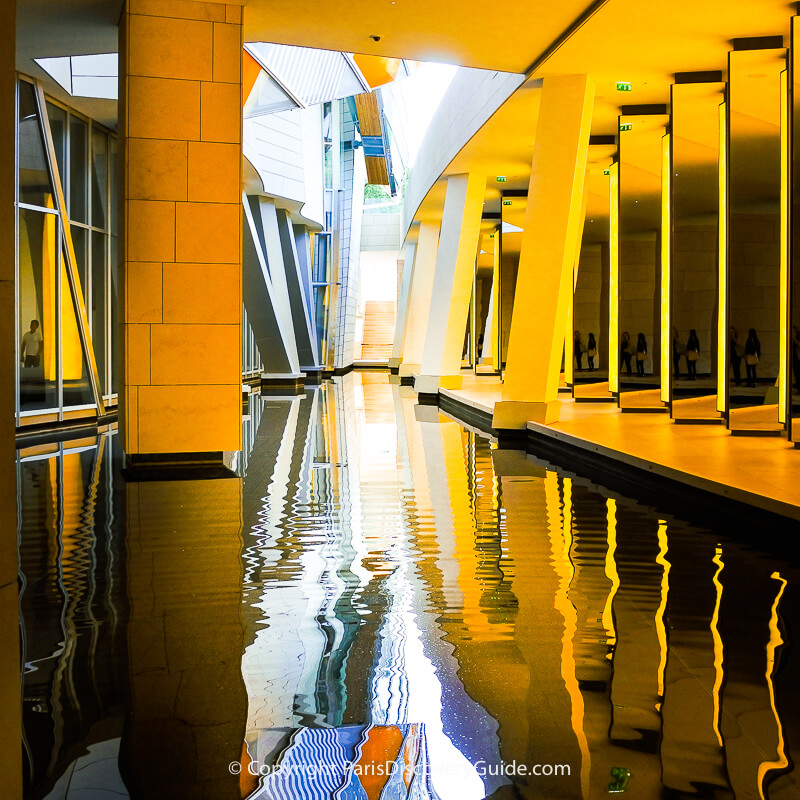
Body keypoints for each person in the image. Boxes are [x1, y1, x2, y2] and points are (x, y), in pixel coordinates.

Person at [792, 325, 800, 393]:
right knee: (796, 374)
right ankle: (798, 389)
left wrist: (794, 339)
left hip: (798, 359)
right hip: (794, 360)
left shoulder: (797, 338)